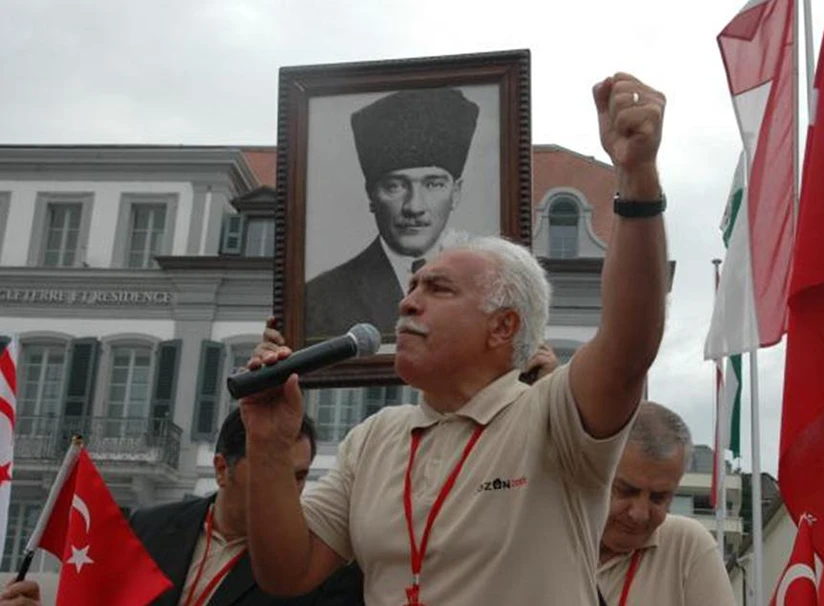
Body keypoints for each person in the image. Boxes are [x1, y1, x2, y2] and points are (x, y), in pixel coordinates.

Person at [242, 72, 669, 606]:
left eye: (437, 288)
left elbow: (628, 346)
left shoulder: (553, 417)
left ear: (503, 325)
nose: (407, 301)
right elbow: (288, 572)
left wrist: (637, 180)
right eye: (413, 284)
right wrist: (268, 443)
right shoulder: (373, 438)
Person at [128, 408, 363, 606]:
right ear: (222, 469)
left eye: (299, 476)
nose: (289, 490)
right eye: (272, 472)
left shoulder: (323, 568)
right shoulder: (147, 528)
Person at [305, 87, 480, 343]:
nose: (414, 207)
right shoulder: (319, 299)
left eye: (433, 184)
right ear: (371, 195)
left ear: (456, 192)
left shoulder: (488, 289)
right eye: (395, 186)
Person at [596, 402, 736, 606]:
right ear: (594, 474)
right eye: (626, 491)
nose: (640, 513)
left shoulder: (687, 547)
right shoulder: (545, 538)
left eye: (658, 498)